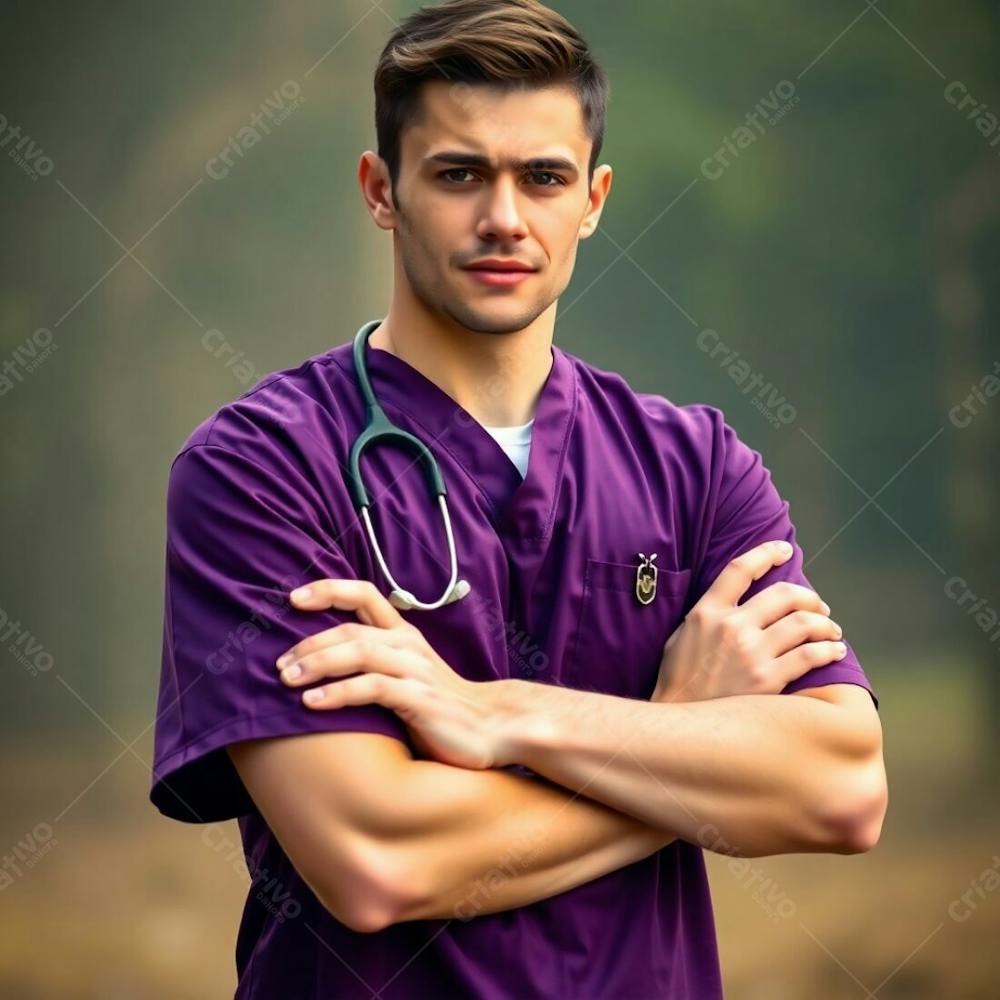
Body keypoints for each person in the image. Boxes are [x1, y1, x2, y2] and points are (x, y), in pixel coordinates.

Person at [149, 1, 887, 997]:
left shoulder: (697, 465)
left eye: (542, 176)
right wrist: (676, 741)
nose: (504, 216)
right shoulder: (260, 468)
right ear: (381, 189)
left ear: (593, 196)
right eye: (458, 173)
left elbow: (839, 789)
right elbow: (376, 859)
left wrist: (500, 716)